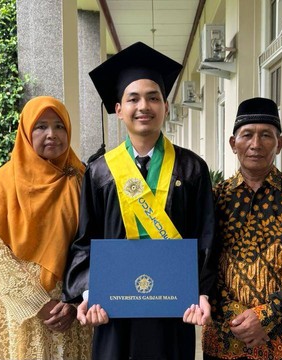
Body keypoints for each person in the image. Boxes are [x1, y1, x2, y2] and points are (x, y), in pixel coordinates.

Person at [62, 42, 217, 360]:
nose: (143, 106)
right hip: (114, 311)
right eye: (133, 98)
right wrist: (90, 293)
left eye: (153, 97)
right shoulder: (100, 171)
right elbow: (85, 241)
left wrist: (201, 292)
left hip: (174, 310)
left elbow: (206, 237)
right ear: (118, 109)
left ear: (165, 107)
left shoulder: (191, 169)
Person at [202, 97, 282, 360]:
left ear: (279, 143)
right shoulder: (215, 198)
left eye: (266, 135)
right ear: (233, 144)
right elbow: (204, 262)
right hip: (225, 337)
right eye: (247, 135)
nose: (256, 144)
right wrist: (235, 315)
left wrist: (265, 317)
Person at [0, 96, 92, 359]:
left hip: (69, 307)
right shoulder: (5, 181)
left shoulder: (82, 178)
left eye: (59, 126)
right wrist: (39, 304)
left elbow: (96, 242)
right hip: (21, 313)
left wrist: (75, 302)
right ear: (26, 131)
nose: (51, 134)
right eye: (40, 126)